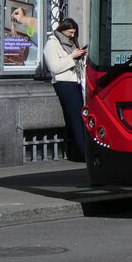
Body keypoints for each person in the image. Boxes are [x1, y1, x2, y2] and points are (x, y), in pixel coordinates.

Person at [44, 17, 88, 163]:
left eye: (74, 33)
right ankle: (81, 153)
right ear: (62, 30)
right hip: (64, 84)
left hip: (76, 82)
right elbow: (54, 68)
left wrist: (81, 55)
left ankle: (79, 151)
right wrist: (72, 56)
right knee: (75, 118)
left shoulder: (71, 43)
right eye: (70, 32)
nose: (72, 35)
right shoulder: (52, 44)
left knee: (80, 118)